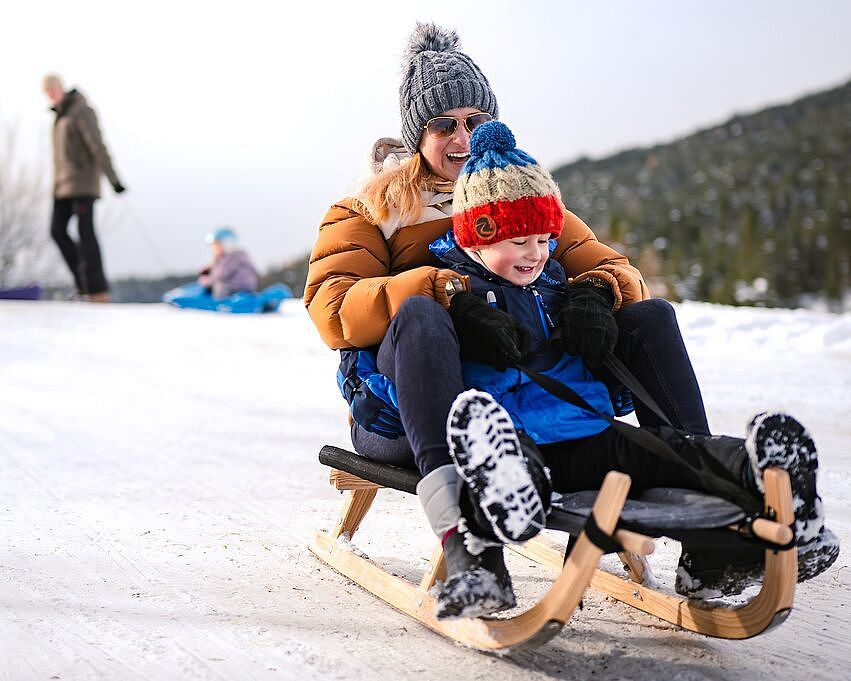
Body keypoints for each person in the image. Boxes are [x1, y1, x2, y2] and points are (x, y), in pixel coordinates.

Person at [302, 24, 764, 614]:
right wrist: (444, 290)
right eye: (445, 124)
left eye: (474, 119)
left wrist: (596, 291)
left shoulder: (514, 191)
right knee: (420, 316)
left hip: (530, 392)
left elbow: (613, 266)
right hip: (407, 408)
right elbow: (333, 309)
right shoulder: (370, 210)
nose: (462, 137)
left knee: (649, 317)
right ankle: (471, 542)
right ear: (418, 133)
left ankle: (711, 532)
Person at [428, 119, 838, 617]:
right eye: (518, 242)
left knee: (674, 452)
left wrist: (594, 294)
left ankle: (764, 473)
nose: (535, 255)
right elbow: (413, 369)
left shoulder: (556, 284)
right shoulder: (452, 295)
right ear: (475, 237)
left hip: (591, 431)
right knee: (509, 465)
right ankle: (510, 494)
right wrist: (460, 314)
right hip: (515, 438)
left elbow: (613, 274)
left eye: (543, 239)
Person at [43, 74, 125, 302]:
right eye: (46, 93)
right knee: (57, 231)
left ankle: (97, 290)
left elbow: (97, 145)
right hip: (62, 185)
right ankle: (82, 283)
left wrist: (113, 179)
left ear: (60, 88)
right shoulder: (59, 116)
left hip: (83, 184)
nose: (50, 95)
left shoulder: (81, 110)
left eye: (52, 90)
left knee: (85, 233)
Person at [198, 227, 259, 299]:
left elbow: (220, 276)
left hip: (235, 291)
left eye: (217, 245)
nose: (214, 249)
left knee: (220, 284)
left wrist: (205, 280)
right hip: (243, 290)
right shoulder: (240, 256)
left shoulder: (232, 258)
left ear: (227, 244)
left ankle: (218, 302)